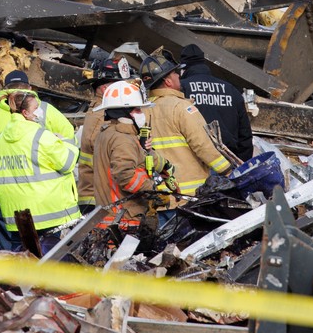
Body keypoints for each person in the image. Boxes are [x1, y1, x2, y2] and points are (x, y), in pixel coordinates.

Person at [0, 90, 80, 248]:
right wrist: (66, 142)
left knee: (23, 260)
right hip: (46, 212)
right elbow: (67, 163)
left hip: (16, 214)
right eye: (36, 107)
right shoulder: (41, 135)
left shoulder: (2, 137)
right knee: (49, 263)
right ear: (25, 113)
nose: (40, 111)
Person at [140, 51, 230, 196]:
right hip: (187, 195)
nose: (178, 76)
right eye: (175, 73)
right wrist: (227, 170)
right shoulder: (181, 108)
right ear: (168, 82)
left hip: (158, 194)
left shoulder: (141, 111)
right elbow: (202, 144)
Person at [91, 80, 156, 229]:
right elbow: (126, 177)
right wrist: (153, 188)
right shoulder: (122, 139)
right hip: (124, 220)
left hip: (111, 217)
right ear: (124, 112)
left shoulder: (108, 132)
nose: (142, 114)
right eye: (138, 110)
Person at [76, 56, 132, 214]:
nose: (125, 91)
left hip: (105, 196)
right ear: (103, 88)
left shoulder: (106, 111)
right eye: (119, 86)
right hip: (97, 200)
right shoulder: (101, 114)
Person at [179, 44, 254, 161]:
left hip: (197, 160)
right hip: (229, 159)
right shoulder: (231, 89)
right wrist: (241, 165)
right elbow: (245, 134)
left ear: (183, 68)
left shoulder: (182, 88)